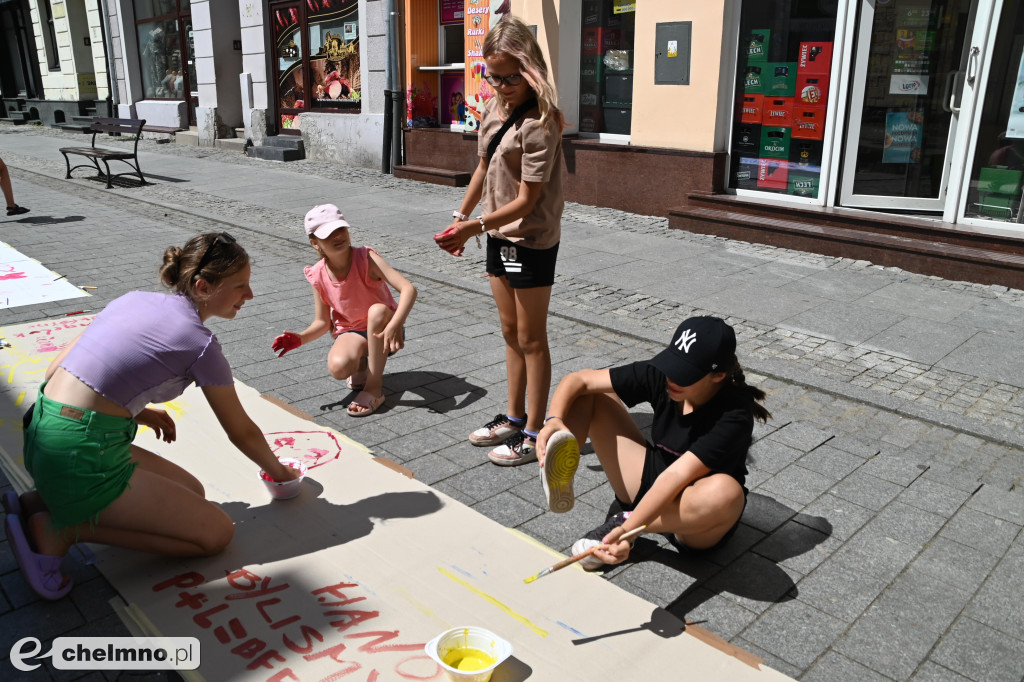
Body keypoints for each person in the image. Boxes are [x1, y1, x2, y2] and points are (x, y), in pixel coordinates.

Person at [3, 232, 301, 601]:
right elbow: (240, 430)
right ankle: (63, 530)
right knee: (216, 535)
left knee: (193, 492)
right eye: (240, 286)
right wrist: (281, 474)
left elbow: (53, 373)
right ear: (204, 286)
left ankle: (40, 501)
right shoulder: (200, 344)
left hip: (43, 433)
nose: (250, 295)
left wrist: (135, 411)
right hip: (79, 453)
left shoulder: (133, 299)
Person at [536, 316, 772, 571]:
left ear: (718, 376)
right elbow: (579, 379)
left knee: (726, 492)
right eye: (673, 364)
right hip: (651, 481)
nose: (672, 378)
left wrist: (627, 530)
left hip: (694, 516)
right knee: (591, 395)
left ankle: (624, 522)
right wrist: (553, 420)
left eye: (685, 373)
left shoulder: (735, 414)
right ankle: (561, 469)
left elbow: (677, 475)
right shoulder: (665, 376)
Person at [434, 15, 566, 466]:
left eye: (512, 76)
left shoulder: (542, 123)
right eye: (495, 76)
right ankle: (512, 417)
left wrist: (475, 227)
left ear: (531, 70)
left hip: (529, 239)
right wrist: (460, 218)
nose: (503, 85)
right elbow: (483, 167)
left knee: (532, 338)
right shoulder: (494, 109)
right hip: (496, 234)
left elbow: (528, 200)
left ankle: (534, 430)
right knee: (510, 332)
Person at [273, 204, 416, 417]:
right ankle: (360, 366)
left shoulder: (365, 258)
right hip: (352, 332)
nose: (338, 236)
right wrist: (301, 338)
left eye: (341, 229)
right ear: (315, 243)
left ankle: (374, 388)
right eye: (328, 234)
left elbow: (408, 289)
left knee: (376, 311)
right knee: (338, 368)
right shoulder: (317, 273)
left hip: (385, 327)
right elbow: (322, 322)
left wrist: (396, 324)